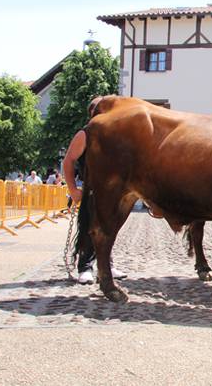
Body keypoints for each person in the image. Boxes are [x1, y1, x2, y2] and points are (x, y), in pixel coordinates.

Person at [63, 98, 127, 285]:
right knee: (89, 228)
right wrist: (73, 189)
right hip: (91, 189)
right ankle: (85, 267)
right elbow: (69, 161)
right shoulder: (85, 134)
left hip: (112, 192)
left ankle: (106, 264)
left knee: (109, 229)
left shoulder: (115, 136)